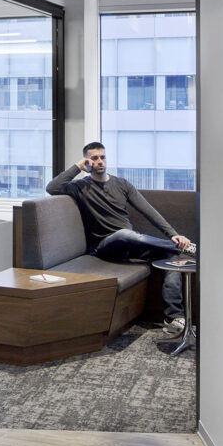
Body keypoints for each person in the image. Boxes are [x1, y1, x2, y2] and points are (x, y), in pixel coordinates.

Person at [46, 141, 194, 338]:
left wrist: (173, 235)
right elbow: (52, 187)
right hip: (106, 247)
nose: (100, 161)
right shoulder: (79, 187)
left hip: (132, 244)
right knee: (125, 234)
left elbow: (149, 212)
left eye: (103, 157)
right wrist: (77, 167)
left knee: (171, 256)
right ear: (88, 161)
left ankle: (173, 316)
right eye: (94, 158)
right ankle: (185, 248)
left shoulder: (122, 184)